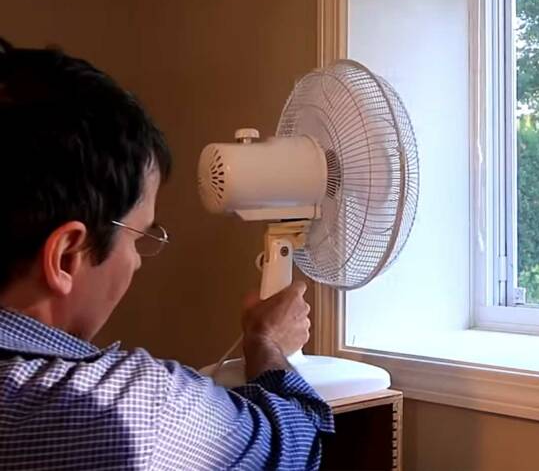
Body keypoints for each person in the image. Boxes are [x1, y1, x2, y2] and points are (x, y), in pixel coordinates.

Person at [0, 38, 334, 470]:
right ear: (66, 256)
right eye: (137, 237)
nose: (138, 260)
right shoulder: (130, 409)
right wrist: (268, 345)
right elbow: (295, 443)